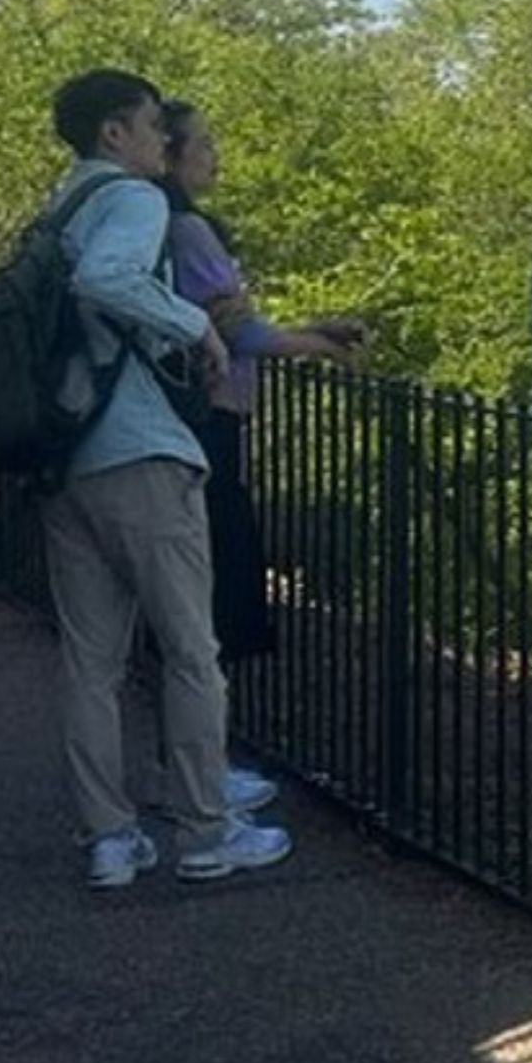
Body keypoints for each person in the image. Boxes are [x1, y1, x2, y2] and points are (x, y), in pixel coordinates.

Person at [38, 69, 293, 888]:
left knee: (90, 661)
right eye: (153, 126)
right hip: (139, 452)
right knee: (190, 649)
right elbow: (105, 281)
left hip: (66, 454)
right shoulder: (136, 200)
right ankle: (203, 829)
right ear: (115, 133)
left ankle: (109, 838)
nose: (164, 142)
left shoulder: (61, 204)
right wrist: (199, 331)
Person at [155, 98, 363, 814]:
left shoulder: (160, 227)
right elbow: (238, 333)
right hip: (210, 426)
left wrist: (305, 330)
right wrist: (323, 346)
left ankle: (196, 764)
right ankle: (202, 774)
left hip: (190, 426)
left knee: (199, 600)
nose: (215, 156)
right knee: (215, 599)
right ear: (172, 155)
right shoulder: (185, 228)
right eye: (202, 145)